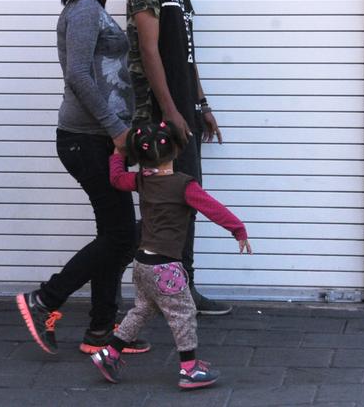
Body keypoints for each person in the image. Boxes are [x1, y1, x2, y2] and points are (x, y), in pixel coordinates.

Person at [16, 0, 149, 356]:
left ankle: (101, 331)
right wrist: (116, 129)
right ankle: (46, 300)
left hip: (100, 140)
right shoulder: (86, 10)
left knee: (115, 234)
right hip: (86, 139)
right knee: (120, 236)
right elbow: (77, 75)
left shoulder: (91, 9)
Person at [127, 0, 230, 315]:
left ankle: (182, 288)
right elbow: (149, 53)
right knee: (164, 206)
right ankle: (160, 293)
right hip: (159, 118)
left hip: (184, 109)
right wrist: (169, 110)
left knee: (187, 198)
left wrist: (200, 102)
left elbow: (186, 53)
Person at [91, 121, 251, 389]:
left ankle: (109, 354)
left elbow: (116, 179)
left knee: (142, 309)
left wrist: (117, 155)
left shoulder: (142, 180)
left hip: (142, 262)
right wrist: (238, 229)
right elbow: (213, 208)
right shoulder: (183, 185)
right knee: (184, 313)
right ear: (176, 151)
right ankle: (189, 369)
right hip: (166, 266)